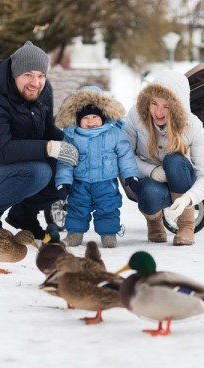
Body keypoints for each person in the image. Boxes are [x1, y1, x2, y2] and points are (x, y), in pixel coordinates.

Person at [0, 41, 79, 237]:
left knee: (73, 167)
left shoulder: (43, 90)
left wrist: (74, 144)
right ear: (15, 73)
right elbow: (3, 150)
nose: (36, 82)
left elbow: (47, 128)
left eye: (41, 76)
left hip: (23, 161)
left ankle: (23, 214)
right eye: (28, 75)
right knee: (39, 172)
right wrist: (49, 148)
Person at [124, 69, 204, 246]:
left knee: (174, 160)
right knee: (149, 194)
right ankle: (154, 221)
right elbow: (125, 156)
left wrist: (187, 199)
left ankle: (186, 225)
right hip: (150, 180)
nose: (158, 112)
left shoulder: (192, 125)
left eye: (166, 106)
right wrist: (151, 171)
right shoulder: (135, 116)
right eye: (154, 103)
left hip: (180, 177)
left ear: (177, 106)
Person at [54, 86, 140, 248]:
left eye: (95, 116)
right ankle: (74, 234)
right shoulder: (72, 136)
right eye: (86, 118)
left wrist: (131, 175)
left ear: (103, 117)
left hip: (106, 183)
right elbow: (65, 161)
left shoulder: (114, 134)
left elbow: (125, 155)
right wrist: (63, 181)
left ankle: (108, 235)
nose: (91, 121)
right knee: (77, 208)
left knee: (108, 208)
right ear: (78, 119)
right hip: (80, 183)